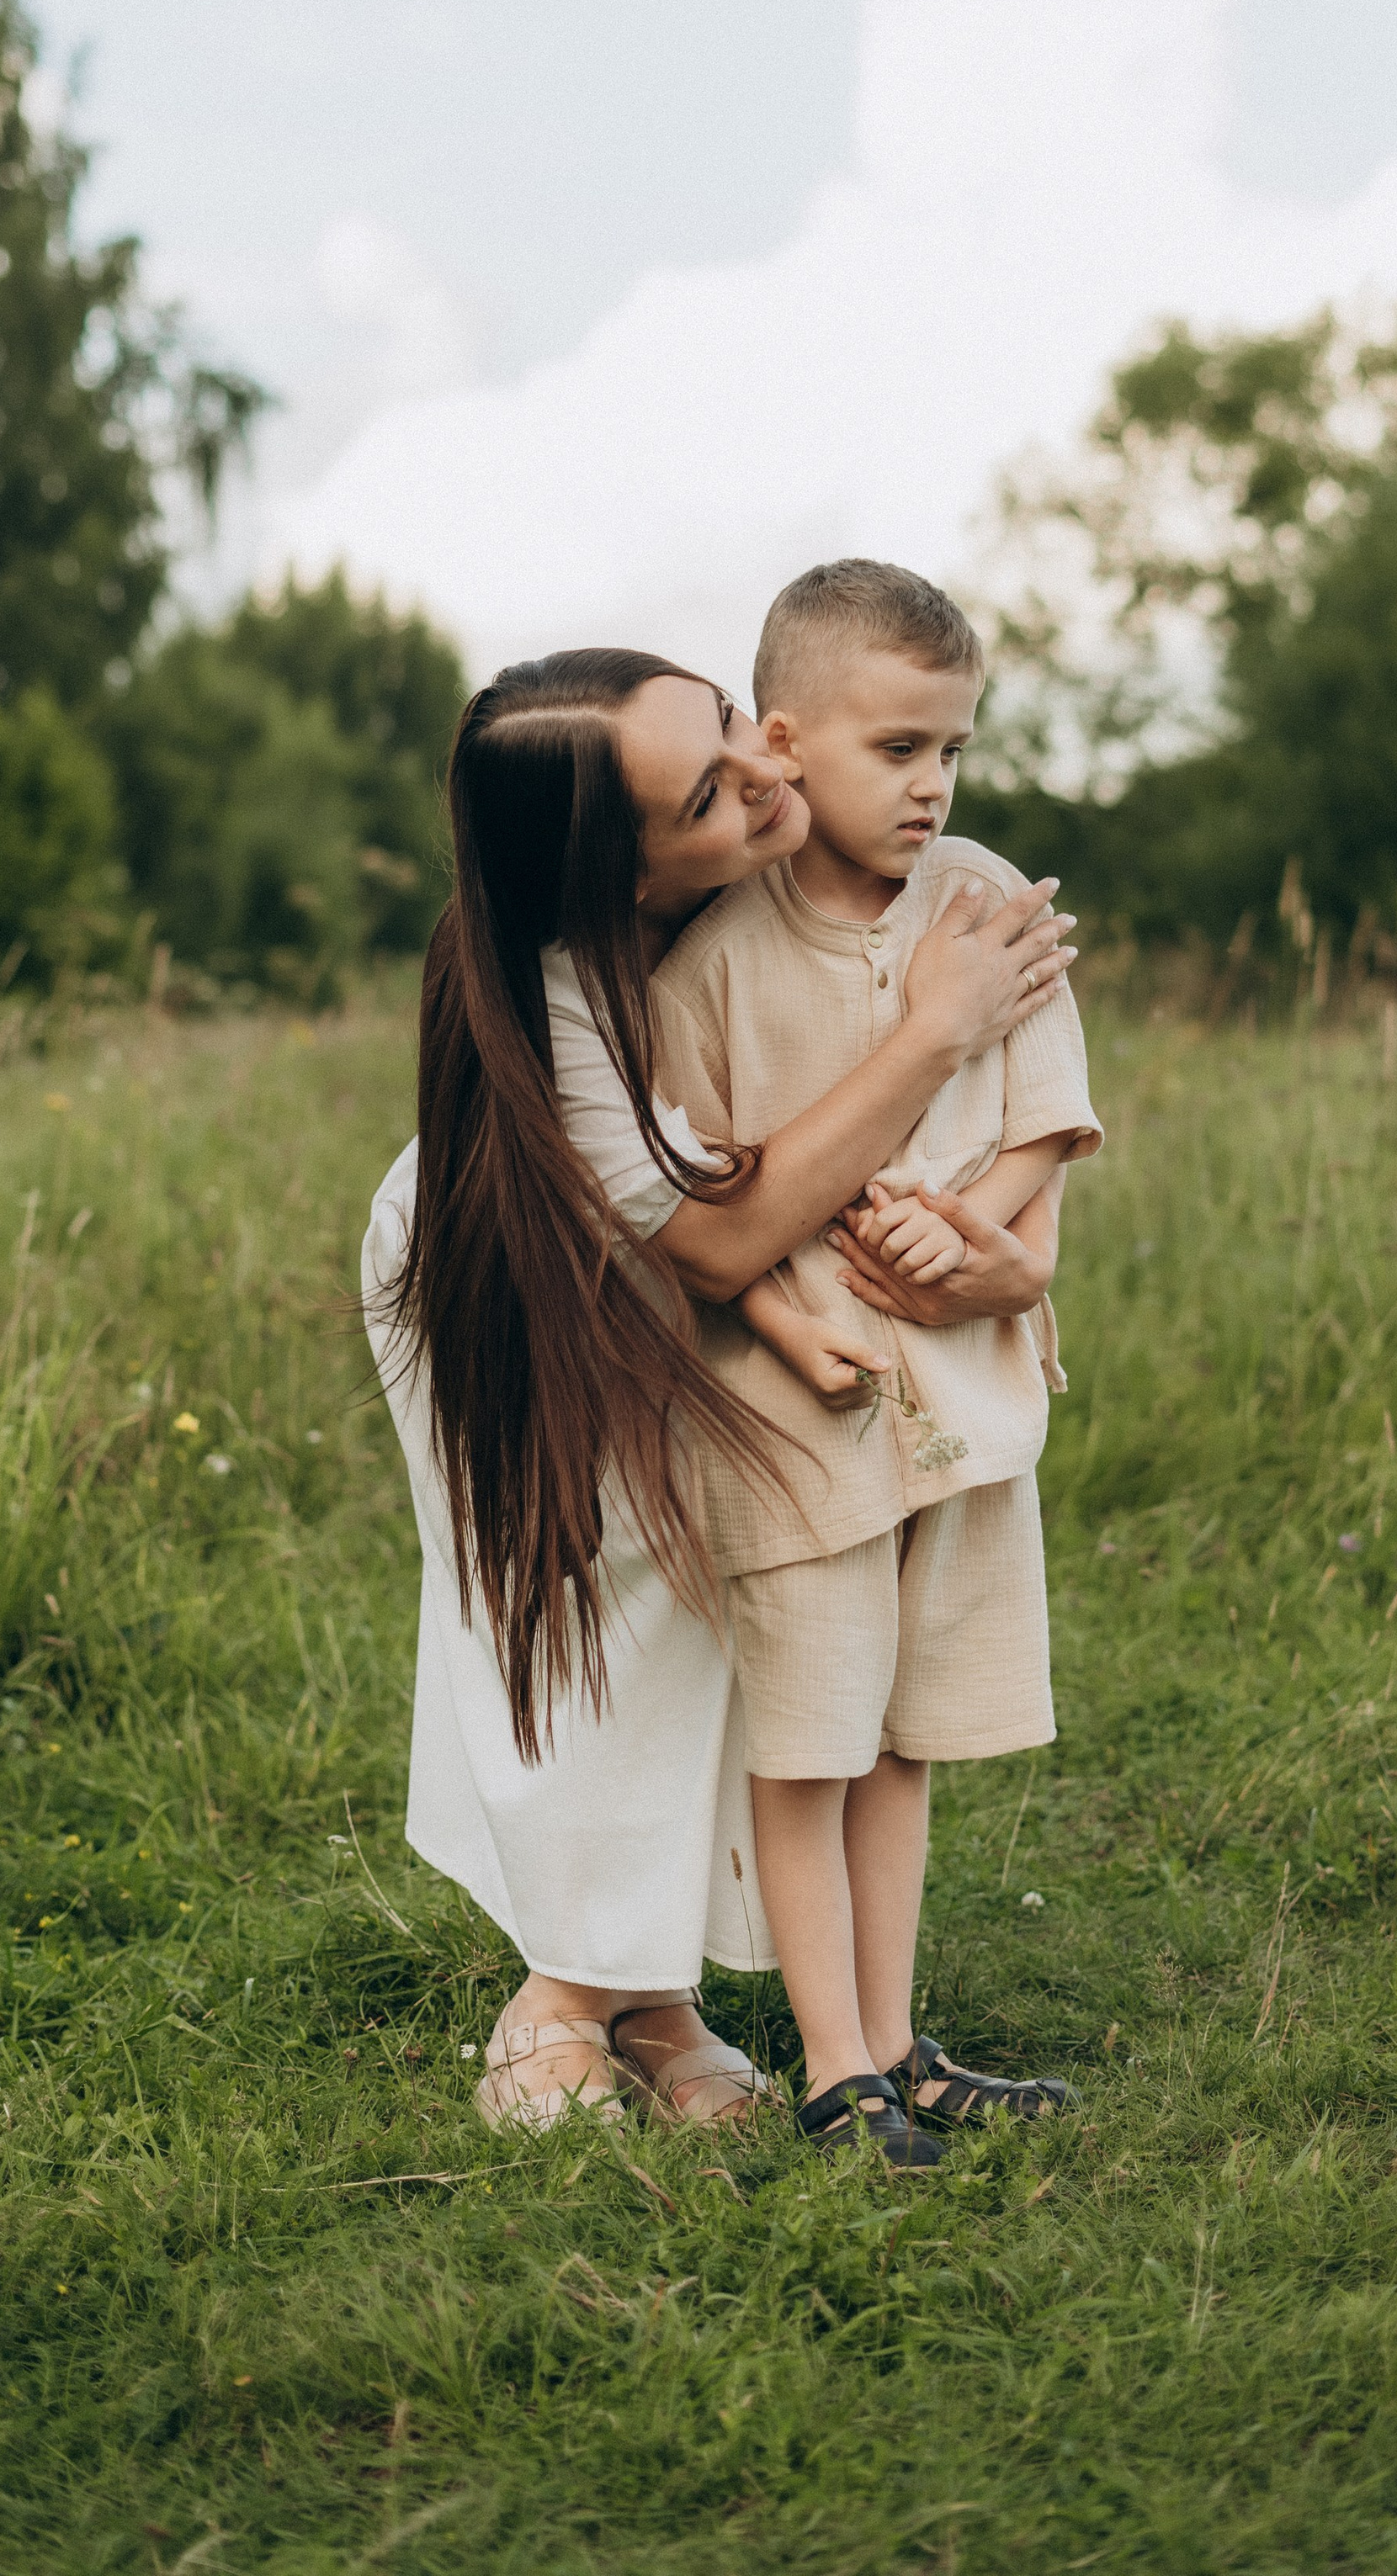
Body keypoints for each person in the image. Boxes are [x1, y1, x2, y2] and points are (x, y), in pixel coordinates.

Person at [362, 647, 1075, 2134]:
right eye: (709, 790)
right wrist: (932, 1029)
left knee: (718, 1605)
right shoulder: (564, 996)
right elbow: (726, 1224)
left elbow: (756, 1190)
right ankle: (566, 1986)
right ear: (628, 874)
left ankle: (662, 1995)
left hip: (705, 1270)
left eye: (737, 730)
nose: (767, 774)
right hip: (524, 1287)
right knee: (588, 1591)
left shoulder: (769, 878)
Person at [653, 563, 1101, 2167]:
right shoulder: (710, 956)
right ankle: (834, 2066)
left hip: (963, 1406)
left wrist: (971, 1223)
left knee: (906, 1740)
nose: (930, 787)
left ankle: (903, 2049)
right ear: (786, 739)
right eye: (896, 748)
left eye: (953, 753)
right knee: (813, 1738)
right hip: (795, 1422)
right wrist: (794, 1315)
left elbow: (1049, 1113)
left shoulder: (983, 896)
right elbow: (690, 1195)